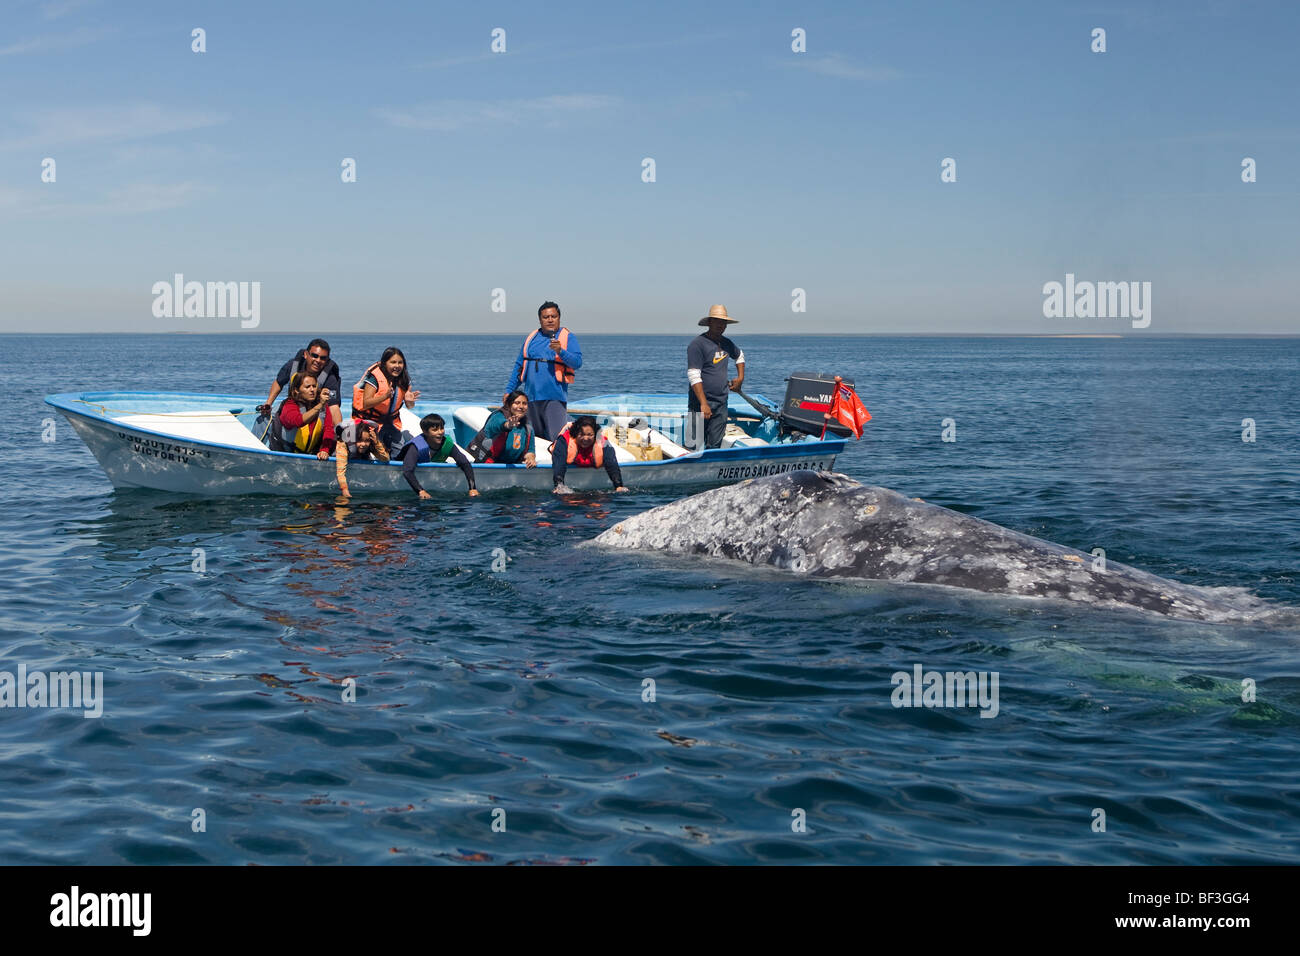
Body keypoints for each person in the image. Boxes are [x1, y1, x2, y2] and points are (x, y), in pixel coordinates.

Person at [503, 300, 581, 441]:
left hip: (554, 398)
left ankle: (558, 462)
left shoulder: (568, 337)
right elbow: (519, 366)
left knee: (556, 439)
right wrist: (509, 390)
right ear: (540, 320)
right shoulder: (531, 339)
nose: (550, 320)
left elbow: (577, 363)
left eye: (553, 316)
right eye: (546, 317)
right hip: (531, 399)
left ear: (559, 318)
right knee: (534, 439)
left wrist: (560, 351)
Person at [686, 304, 745, 450]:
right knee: (693, 446)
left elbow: (740, 356)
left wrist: (740, 378)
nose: (721, 325)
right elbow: (693, 375)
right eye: (717, 321)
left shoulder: (727, 343)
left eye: (723, 322)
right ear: (710, 322)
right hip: (699, 405)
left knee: (715, 446)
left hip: (721, 404)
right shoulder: (697, 345)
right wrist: (703, 404)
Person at [258, 338, 342, 437]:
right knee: (264, 418)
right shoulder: (293, 365)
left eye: (323, 358)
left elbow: (334, 408)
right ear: (306, 355)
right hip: (292, 407)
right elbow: (278, 383)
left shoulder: (329, 378)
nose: (318, 361)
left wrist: (340, 435)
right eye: (314, 356)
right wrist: (268, 404)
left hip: (314, 412)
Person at [353, 346, 420, 458]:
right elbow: (366, 403)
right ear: (385, 363)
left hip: (391, 423)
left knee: (399, 451)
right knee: (375, 451)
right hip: (370, 423)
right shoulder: (374, 378)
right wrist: (385, 396)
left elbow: (409, 406)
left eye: (400, 363)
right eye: (393, 362)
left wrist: (410, 401)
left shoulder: (403, 380)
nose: (397, 366)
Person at [397, 414, 479, 499]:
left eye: (442, 428)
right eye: (435, 430)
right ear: (425, 432)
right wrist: (420, 491)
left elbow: (465, 463)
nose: (440, 432)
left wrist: (472, 488)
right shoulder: (415, 447)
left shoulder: (447, 444)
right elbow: (407, 471)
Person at [549, 416, 628, 494]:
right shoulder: (564, 441)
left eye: (590, 435)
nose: (585, 438)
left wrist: (618, 486)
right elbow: (559, 463)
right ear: (575, 434)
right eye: (581, 434)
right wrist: (559, 486)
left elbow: (611, 463)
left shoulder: (603, 443)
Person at [469, 391, 536, 466]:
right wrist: (508, 425)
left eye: (524, 403)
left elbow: (530, 450)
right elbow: (497, 425)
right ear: (509, 404)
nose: (521, 406)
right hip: (489, 465)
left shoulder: (528, 426)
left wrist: (531, 458)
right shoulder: (498, 416)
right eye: (517, 403)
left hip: (512, 467)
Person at [276, 372, 335, 459]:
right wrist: (320, 405)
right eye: (307, 387)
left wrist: (324, 450)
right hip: (287, 454)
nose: (312, 390)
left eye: (314, 386)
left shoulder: (322, 405)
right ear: (296, 390)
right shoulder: (289, 405)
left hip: (310, 453)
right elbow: (298, 421)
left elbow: (328, 428)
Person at [334, 418, 389, 498]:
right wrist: (344, 489)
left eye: (367, 440)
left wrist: (377, 443)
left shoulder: (372, 444)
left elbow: (385, 458)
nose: (363, 444)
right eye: (359, 440)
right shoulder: (343, 444)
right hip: (339, 461)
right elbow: (340, 471)